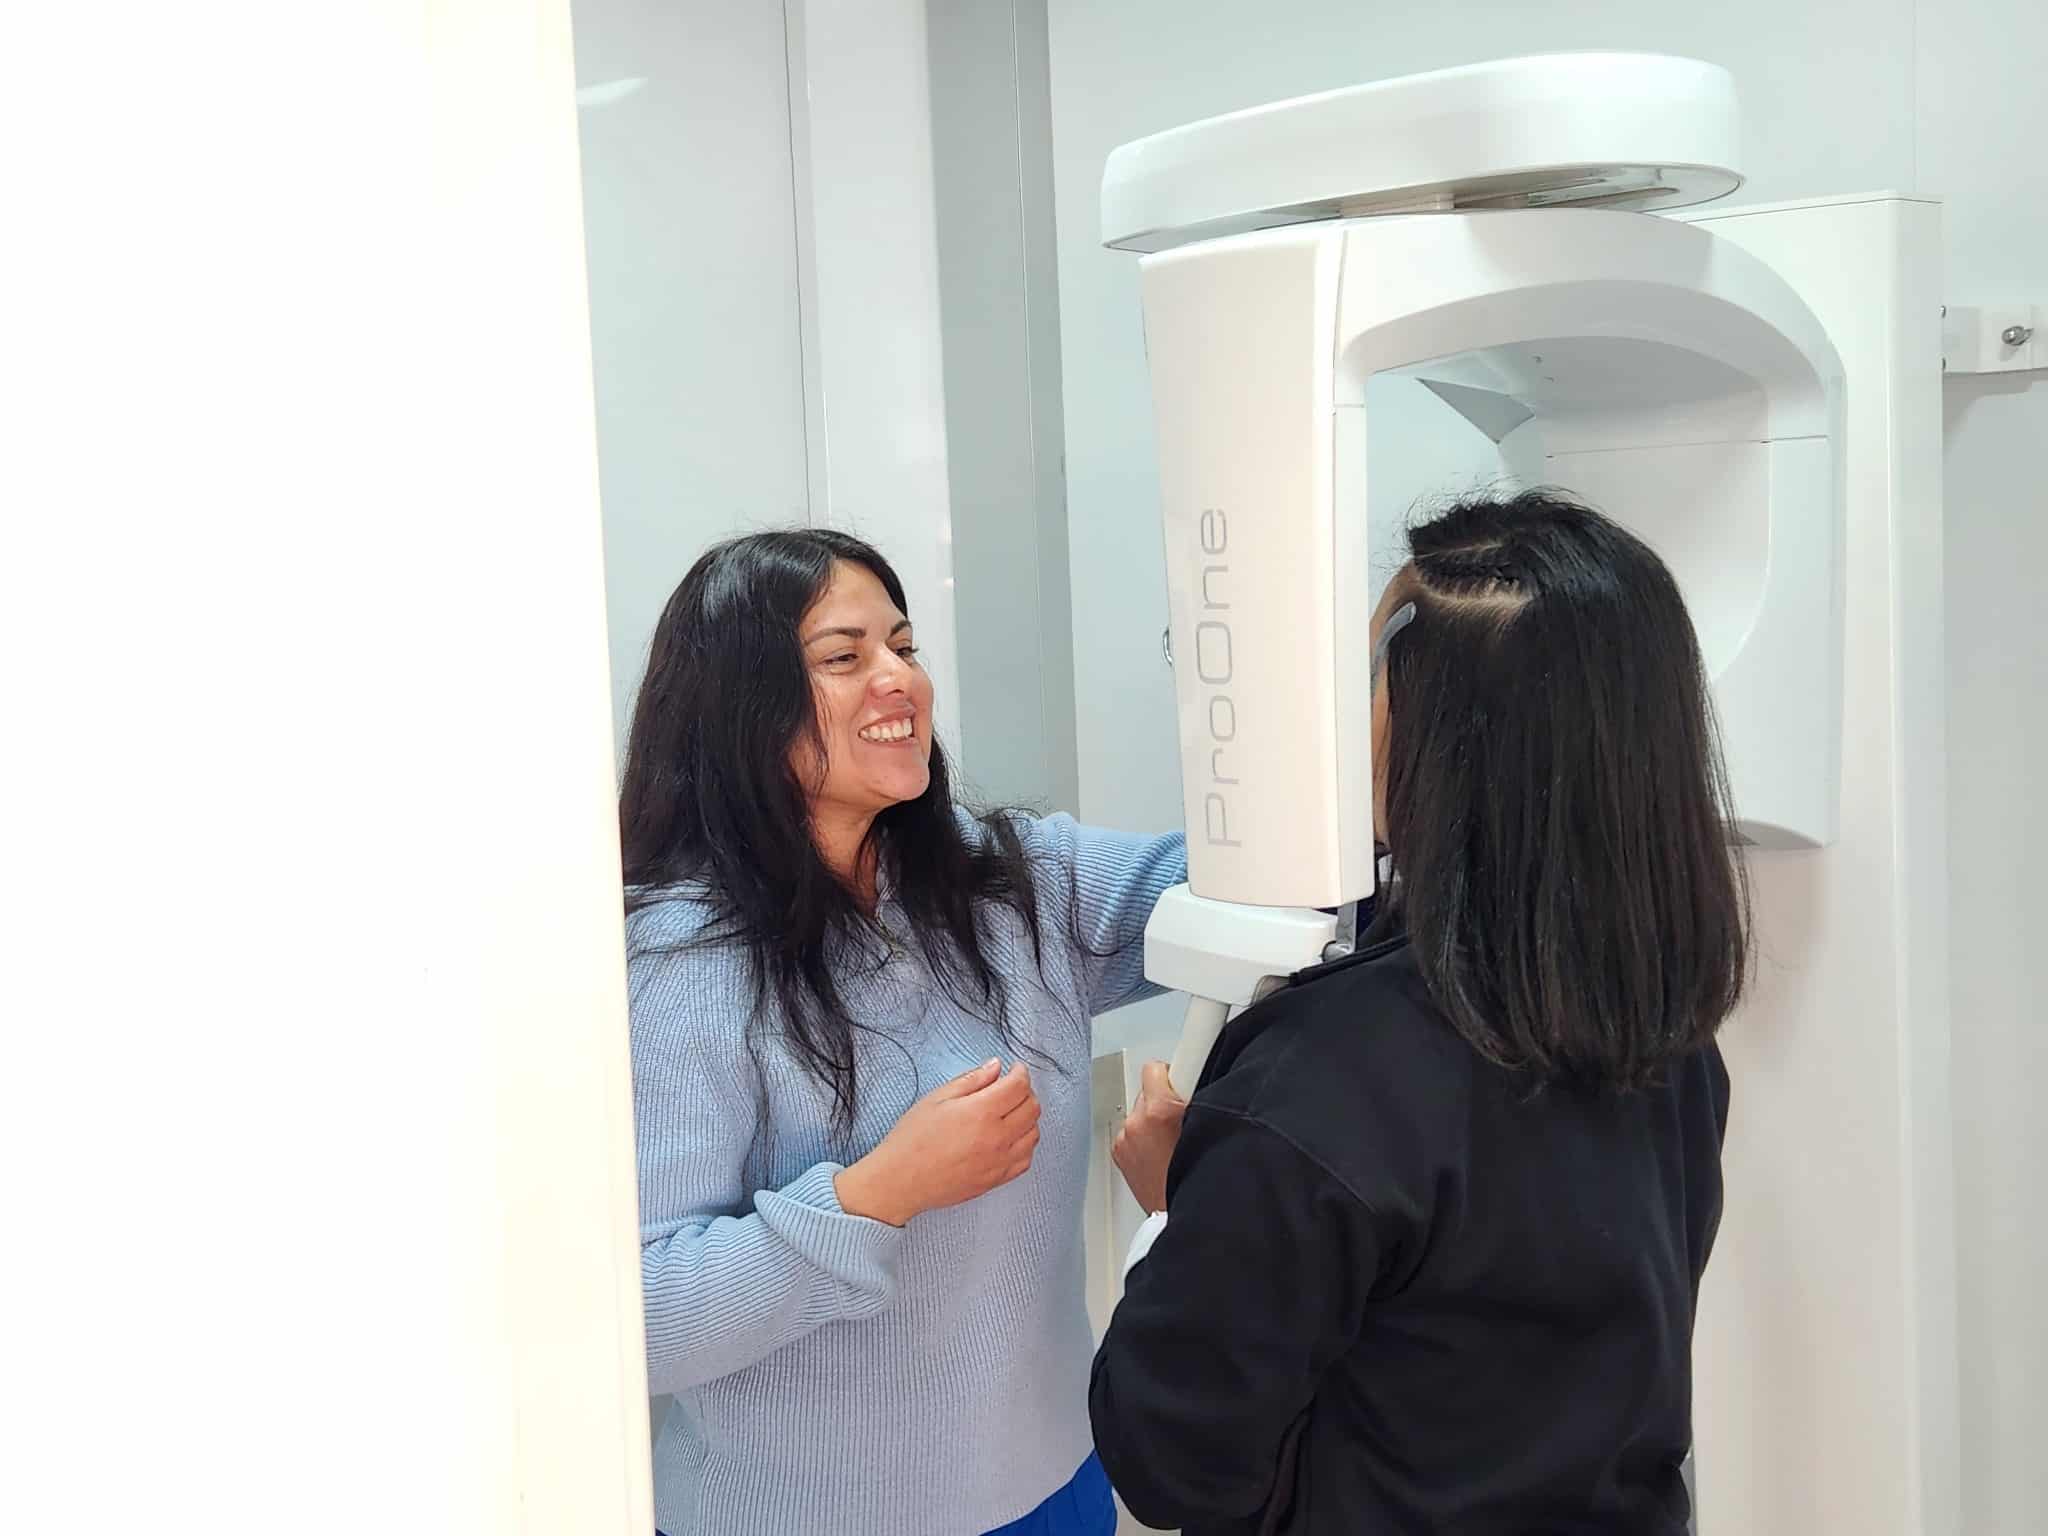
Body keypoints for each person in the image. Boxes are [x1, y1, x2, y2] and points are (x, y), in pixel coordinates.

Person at [1090, 491, 1748, 1535]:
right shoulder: (1666, 1034)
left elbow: (1174, 1462)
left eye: (1371, 680)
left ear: (1438, 736)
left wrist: (1180, 1217)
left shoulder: (1316, 1088)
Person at [620, 528, 1185, 1536]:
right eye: (844, 657)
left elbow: (1233, 898)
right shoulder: (680, 958)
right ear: (742, 704)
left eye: (904, 646)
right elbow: (646, 1319)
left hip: (1054, 1487)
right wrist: (878, 1195)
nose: (901, 681)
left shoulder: (1011, 878)